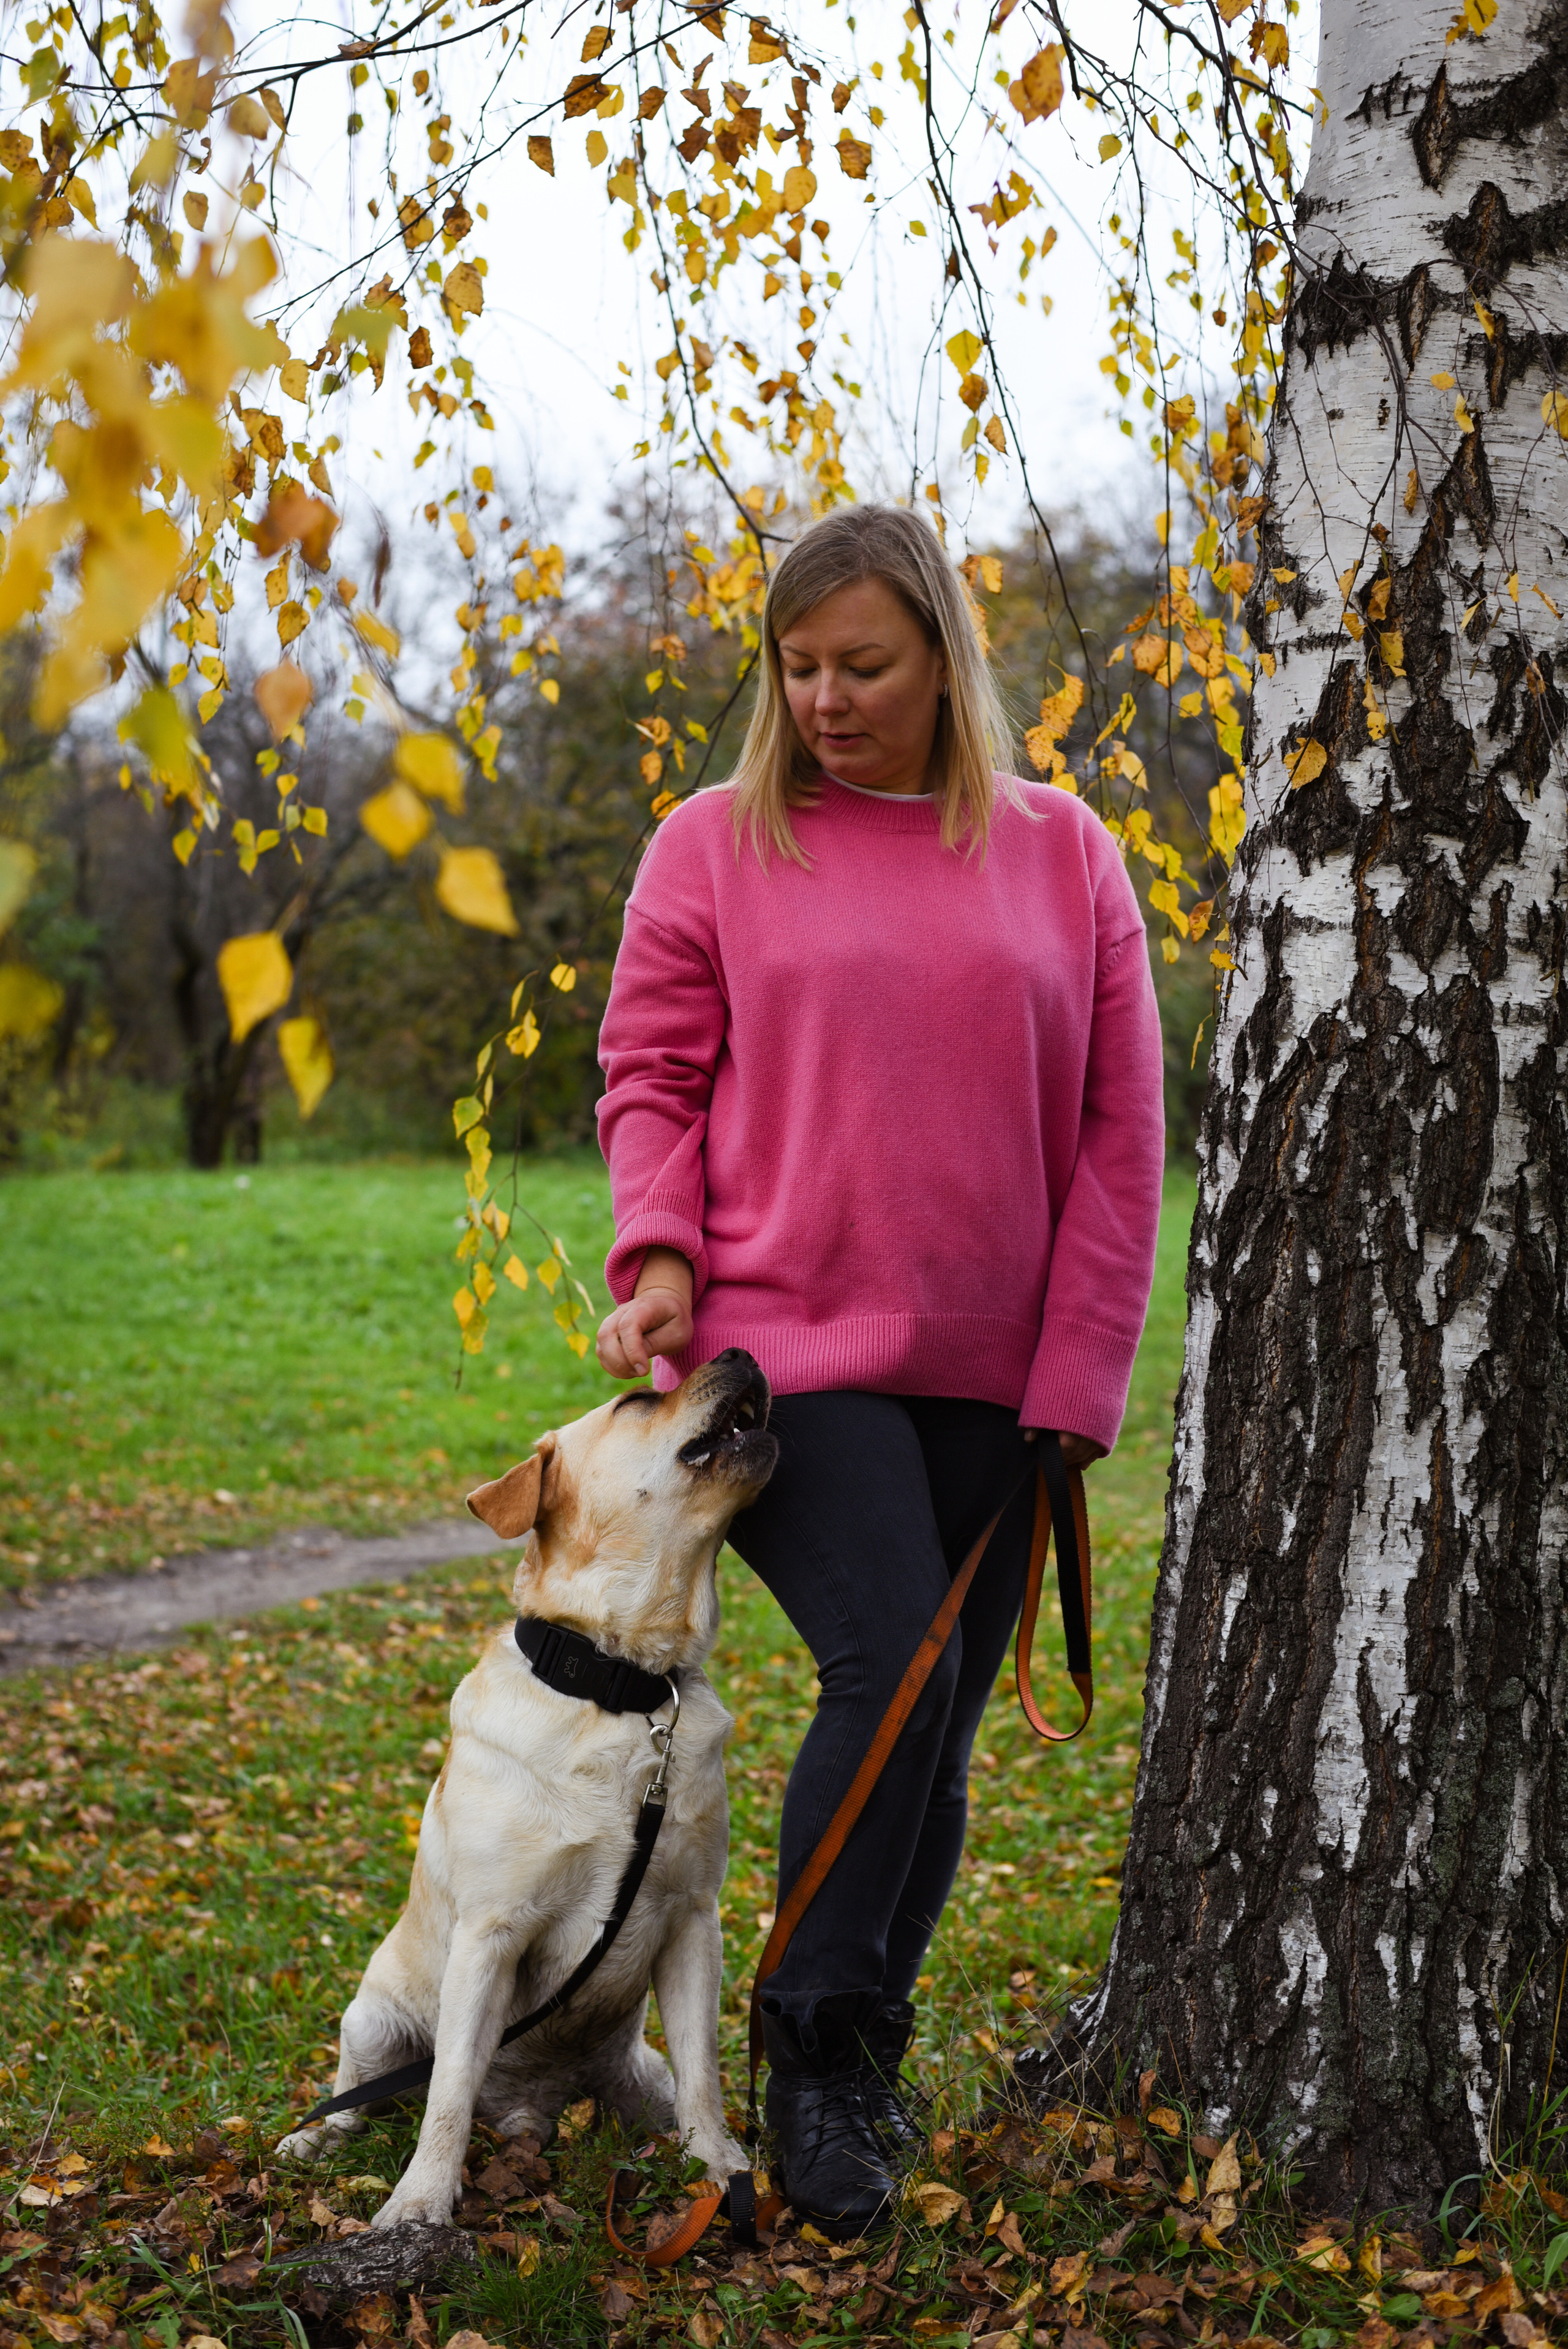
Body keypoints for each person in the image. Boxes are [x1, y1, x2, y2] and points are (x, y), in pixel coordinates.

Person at [594, 504, 1165, 2237]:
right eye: (799, 666)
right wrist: (662, 1259)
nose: (827, 699)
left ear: (944, 659)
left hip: (997, 1373)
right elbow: (652, 1071)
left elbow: (1122, 1131)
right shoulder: (716, 841)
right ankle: (810, 2055)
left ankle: (869, 2038)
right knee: (895, 1667)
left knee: (942, 1730)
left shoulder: (1067, 853)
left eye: (866, 666)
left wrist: (1079, 1367)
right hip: (788, 1351)